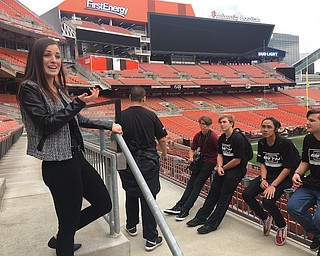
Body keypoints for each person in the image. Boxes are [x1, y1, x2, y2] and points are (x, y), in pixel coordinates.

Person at [17, 38, 122, 256]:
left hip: (75, 158)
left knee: (103, 203)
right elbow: (47, 124)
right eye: (47, 55)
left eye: (57, 55)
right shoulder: (29, 89)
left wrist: (108, 124)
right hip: (58, 166)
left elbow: (76, 119)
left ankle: (62, 236)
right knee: (69, 221)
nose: (54, 60)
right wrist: (79, 103)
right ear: (36, 58)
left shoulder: (56, 87)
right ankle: (64, 238)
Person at [119, 86, 168, 252]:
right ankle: (151, 238)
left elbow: (116, 140)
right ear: (144, 98)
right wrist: (165, 154)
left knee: (131, 192)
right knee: (149, 198)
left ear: (129, 97)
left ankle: (131, 226)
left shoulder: (121, 115)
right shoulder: (151, 115)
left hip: (127, 161)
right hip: (148, 161)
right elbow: (162, 139)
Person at [186, 114, 247, 234]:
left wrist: (222, 167)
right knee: (213, 193)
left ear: (231, 123)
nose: (222, 124)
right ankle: (201, 217)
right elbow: (219, 154)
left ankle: (212, 223)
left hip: (235, 170)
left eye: (224, 122)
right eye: (220, 122)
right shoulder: (222, 138)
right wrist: (219, 166)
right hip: (223, 167)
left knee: (224, 196)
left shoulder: (238, 138)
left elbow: (237, 160)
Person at [242, 117, 297, 246]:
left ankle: (282, 226)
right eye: (263, 127)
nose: (265, 130)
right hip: (268, 175)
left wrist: (273, 185)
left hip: (283, 177)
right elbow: (262, 163)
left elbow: (287, 168)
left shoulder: (285, 143)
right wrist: (263, 179)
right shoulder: (262, 143)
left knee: (267, 201)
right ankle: (265, 218)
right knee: (247, 194)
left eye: (269, 127)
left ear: (275, 129)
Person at [163, 115, 218, 221]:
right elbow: (192, 149)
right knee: (190, 185)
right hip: (200, 162)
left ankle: (186, 208)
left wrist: (217, 164)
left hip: (210, 163)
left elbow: (218, 152)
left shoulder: (213, 137)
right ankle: (179, 205)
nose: (204, 126)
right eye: (202, 124)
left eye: (206, 124)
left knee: (197, 185)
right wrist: (191, 158)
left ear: (210, 125)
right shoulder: (198, 135)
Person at [287, 108, 320, 255]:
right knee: (292, 207)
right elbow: (306, 161)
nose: (307, 123)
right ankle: (318, 235)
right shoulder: (308, 139)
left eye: (312, 120)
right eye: (308, 119)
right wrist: (297, 173)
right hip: (311, 183)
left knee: (319, 218)